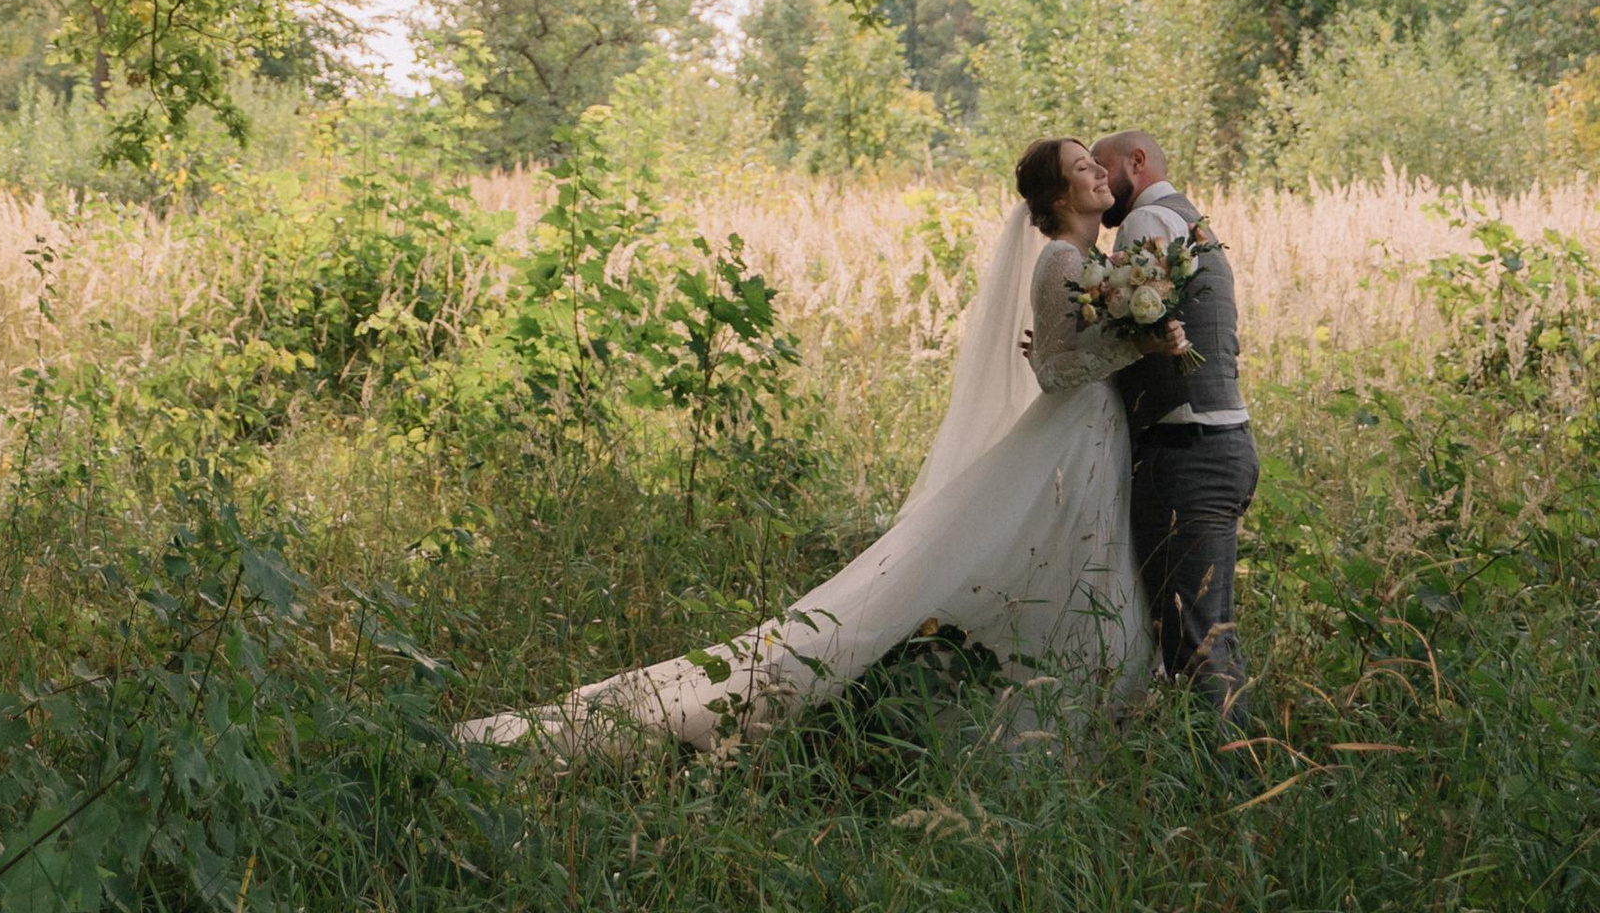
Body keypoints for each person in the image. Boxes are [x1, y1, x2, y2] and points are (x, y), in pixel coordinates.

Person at [456, 137, 1169, 752]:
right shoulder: (1058, 263)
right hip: (1070, 435)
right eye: (1083, 167)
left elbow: (1065, 353)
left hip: (1090, 440)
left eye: (1096, 166)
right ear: (1056, 192)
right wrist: (1136, 339)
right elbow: (1053, 371)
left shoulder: (1092, 260)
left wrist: (1121, 330)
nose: (1099, 175)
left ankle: (1092, 709)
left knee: (1081, 572)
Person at [1089, 128, 1256, 736]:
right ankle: (1235, 775)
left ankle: (1232, 789)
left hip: (1187, 450)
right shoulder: (1193, 220)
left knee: (1194, 643)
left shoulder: (1146, 222)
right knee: (1210, 634)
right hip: (1221, 442)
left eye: (1104, 169)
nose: (1101, 183)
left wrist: (1071, 345)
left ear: (1138, 161)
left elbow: (1139, 330)